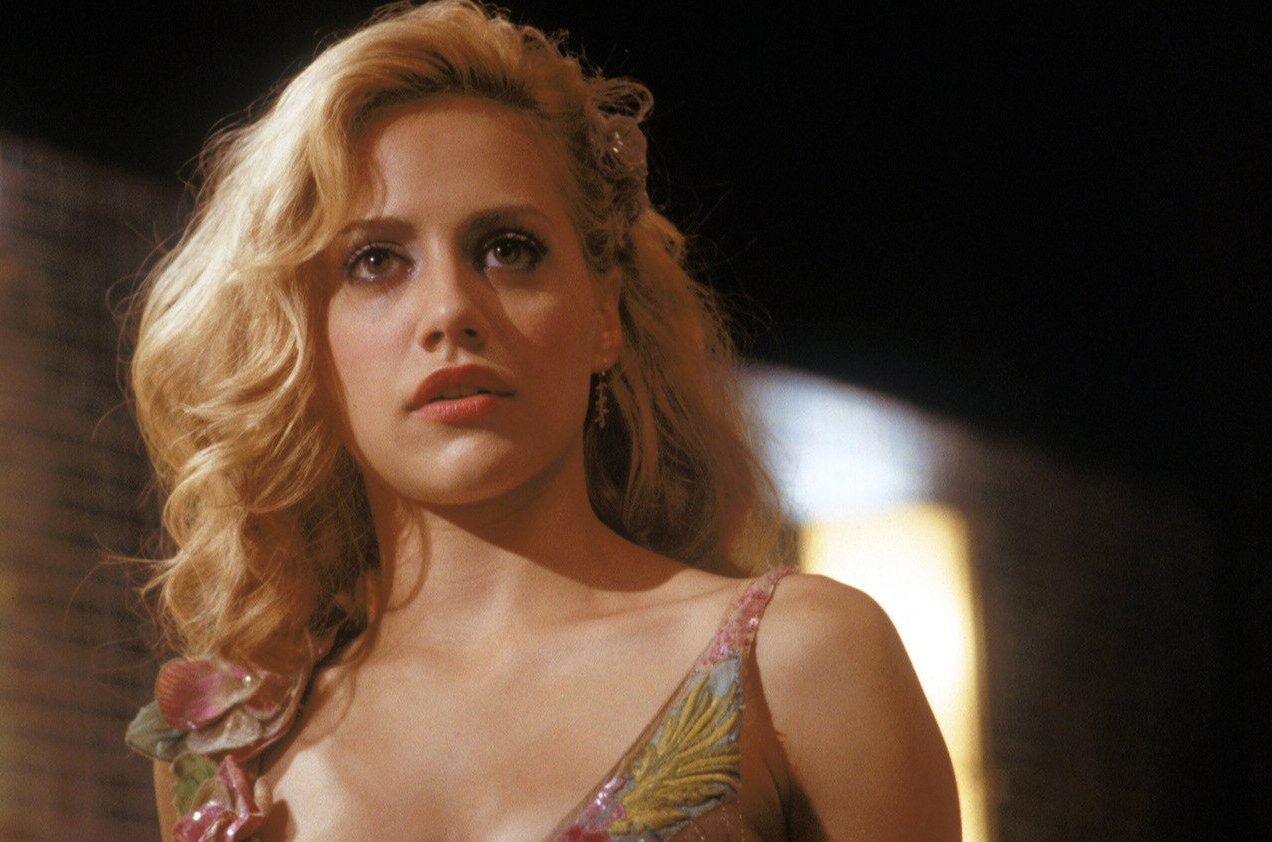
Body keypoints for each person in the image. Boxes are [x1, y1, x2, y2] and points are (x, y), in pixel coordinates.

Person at [124, 2, 959, 839]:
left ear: (605, 313)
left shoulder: (802, 661)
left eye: (507, 249)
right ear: (302, 336)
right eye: (375, 262)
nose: (450, 309)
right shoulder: (225, 752)